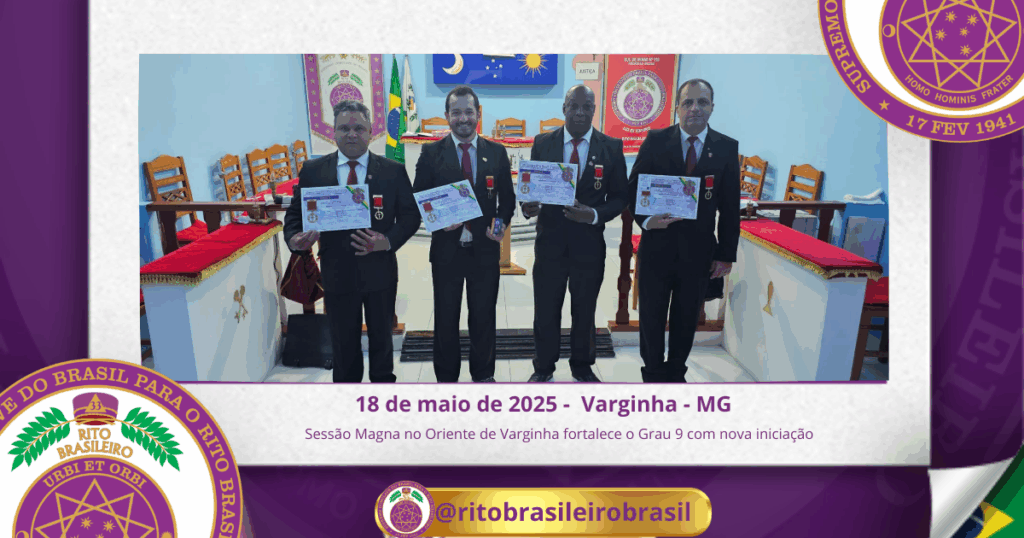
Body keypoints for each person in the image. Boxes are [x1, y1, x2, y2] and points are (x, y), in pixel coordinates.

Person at [283, 99, 421, 383]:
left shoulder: (393, 171)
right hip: (337, 272)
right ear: (333, 132)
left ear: (371, 132)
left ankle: (383, 392)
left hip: (380, 271)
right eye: (344, 128)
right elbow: (295, 215)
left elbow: (410, 217)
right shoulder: (313, 170)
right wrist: (295, 239)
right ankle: (348, 396)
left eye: (359, 128)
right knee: (343, 345)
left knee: (382, 340)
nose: (351, 134)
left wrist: (387, 241)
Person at [627, 78, 740, 383]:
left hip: (698, 251)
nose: (695, 108)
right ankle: (652, 372)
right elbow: (633, 188)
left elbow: (730, 207)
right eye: (688, 102)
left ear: (712, 107)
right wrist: (646, 220)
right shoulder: (655, 140)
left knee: (687, 316)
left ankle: (676, 372)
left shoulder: (726, 148)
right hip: (657, 245)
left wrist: (726, 254)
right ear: (677, 108)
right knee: (651, 314)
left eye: (702, 102)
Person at [521, 85, 628, 382]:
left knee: (584, 309)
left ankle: (582, 366)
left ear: (594, 110)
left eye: (586, 107)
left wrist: (593, 214)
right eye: (574, 106)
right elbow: (530, 189)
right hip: (550, 243)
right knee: (546, 309)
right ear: (564, 108)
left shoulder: (611, 147)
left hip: (588, 245)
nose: (580, 112)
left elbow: (620, 197)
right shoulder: (543, 143)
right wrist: (527, 207)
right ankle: (543, 367)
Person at [412, 86, 515, 382]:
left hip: (484, 251)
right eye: (456, 112)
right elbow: (419, 198)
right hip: (447, 250)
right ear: (447, 116)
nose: (463, 118)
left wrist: (499, 225)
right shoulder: (431, 153)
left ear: (478, 114)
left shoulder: (496, 152)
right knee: (446, 318)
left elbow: (507, 201)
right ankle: (446, 379)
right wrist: (438, 221)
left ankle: (483, 375)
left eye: (469, 111)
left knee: (483, 316)